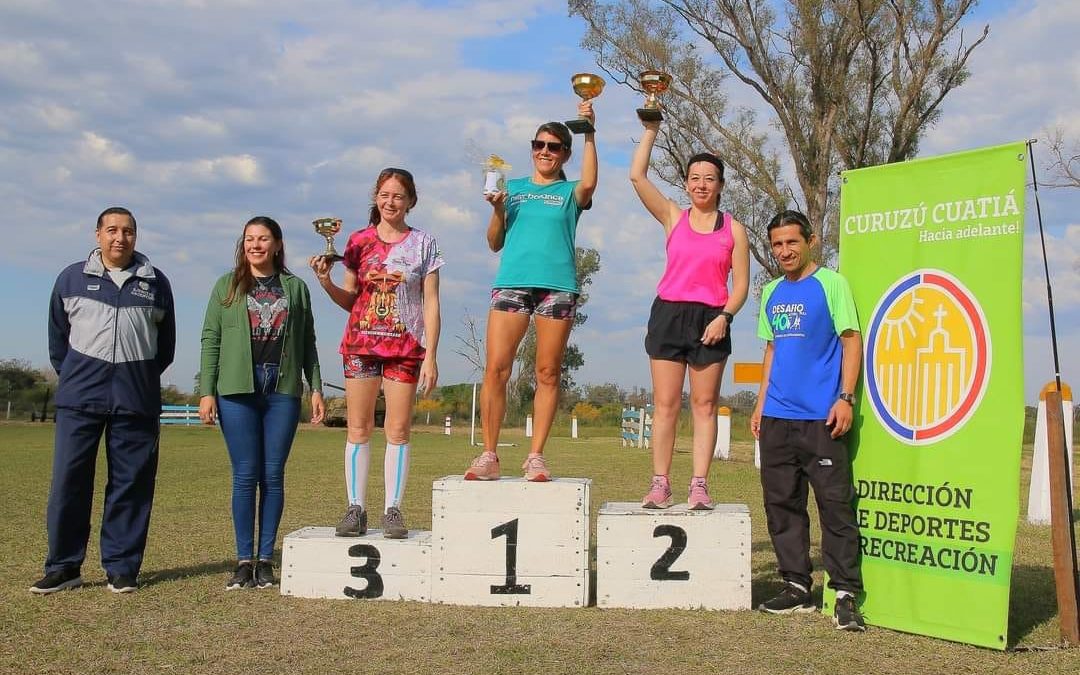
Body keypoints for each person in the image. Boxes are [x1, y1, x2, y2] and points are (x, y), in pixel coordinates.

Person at [31, 206, 175, 595]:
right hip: (80, 400)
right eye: (112, 230)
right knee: (68, 483)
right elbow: (58, 342)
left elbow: (165, 350)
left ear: (135, 237)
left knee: (131, 484)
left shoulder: (156, 283)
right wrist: (81, 378)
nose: (120, 238)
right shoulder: (71, 278)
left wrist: (136, 378)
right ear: (97, 234)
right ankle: (64, 566)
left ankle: (122, 566)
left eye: (127, 231)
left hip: (136, 400)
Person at [464, 102, 598, 482]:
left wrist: (589, 131)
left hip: (557, 288)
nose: (545, 151)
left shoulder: (571, 191)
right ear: (532, 148)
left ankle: (536, 456)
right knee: (496, 369)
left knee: (547, 372)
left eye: (554, 146)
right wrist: (497, 210)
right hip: (512, 283)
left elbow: (589, 183)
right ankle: (489, 454)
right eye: (539, 144)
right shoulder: (513, 188)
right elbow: (494, 243)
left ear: (565, 154)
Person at [749, 209, 865, 631]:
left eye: (791, 242)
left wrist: (845, 398)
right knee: (782, 507)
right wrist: (761, 403)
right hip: (777, 418)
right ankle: (797, 587)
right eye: (777, 244)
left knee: (835, 507)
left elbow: (852, 342)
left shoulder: (832, 284)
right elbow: (772, 351)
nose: (784, 251)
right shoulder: (771, 292)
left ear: (811, 241)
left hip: (822, 418)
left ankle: (846, 593)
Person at [311, 168, 443, 539]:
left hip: (405, 347)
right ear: (376, 198)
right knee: (358, 427)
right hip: (361, 345)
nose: (390, 202)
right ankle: (356, 508)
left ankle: (393, 510)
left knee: (398, 429)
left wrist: (431, 354)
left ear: (411, 201)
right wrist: (325, 282)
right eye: (384, 195)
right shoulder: (357, 242)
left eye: (398, 196)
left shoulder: (424, 244)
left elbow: (431, 303)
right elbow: (350, 300)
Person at [628, 119, 750, 510]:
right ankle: (660, 483)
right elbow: (637, 175)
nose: (701, 184)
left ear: (720, 185)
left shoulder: (735, 229)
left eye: (709, 178)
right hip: (668, 315)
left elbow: (743, 286)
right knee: (664, 405)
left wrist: (724, 317)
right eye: (695, 177)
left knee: (705, 405)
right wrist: (651, 128)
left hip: (712, 319)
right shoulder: (672, 217)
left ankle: (699, 484)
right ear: (686, 183)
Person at [199, 216, 325, 590]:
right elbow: (211, 339)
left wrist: (315, 386)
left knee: (272, 475)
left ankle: (266, 561)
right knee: (244, 475)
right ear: (243, 245)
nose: (255, 245)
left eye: (263, 238)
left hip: (282, 389)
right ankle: (243, 561)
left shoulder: (296, 288)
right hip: (237, 389)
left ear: (277, 244)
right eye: (249, 239)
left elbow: (308, 342)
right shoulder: (227, 286)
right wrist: (207, 390)